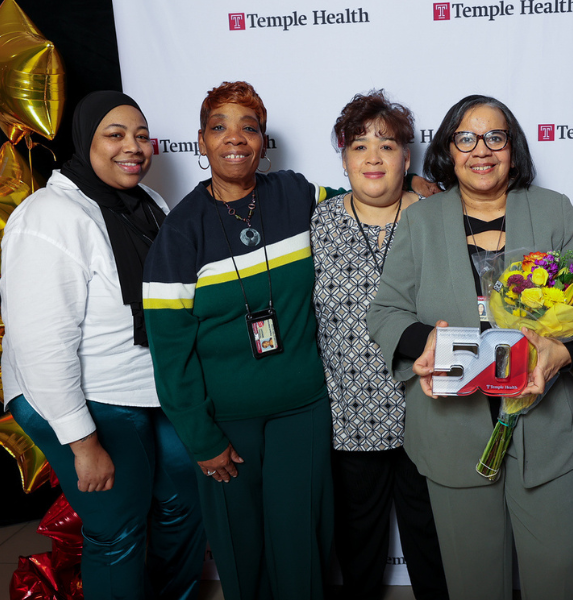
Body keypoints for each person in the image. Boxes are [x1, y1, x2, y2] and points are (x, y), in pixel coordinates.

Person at [367, 94, 573, 600]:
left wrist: (562, 354)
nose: (482, 150)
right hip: (452, 434)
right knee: (474, 584)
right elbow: (386, 311)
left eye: (495, 137)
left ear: (513, 150)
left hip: (546, 438)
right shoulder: (420, 221)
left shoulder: (553, 210)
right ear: (448, 151)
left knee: (558, 580)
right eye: (466, 138)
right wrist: (427, 341)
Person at [1, 91, 206, 599]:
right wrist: (83, 443)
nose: (132, 147)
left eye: (140, 135)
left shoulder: (148, 203)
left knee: (184, 505)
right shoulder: (48, 217)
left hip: (146, 385)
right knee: (117, 531)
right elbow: (40, 346)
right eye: (114, 135)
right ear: (85, 141)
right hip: (81, 397)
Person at [142, 81, 334, 600]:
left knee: (302, 539)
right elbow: (170, 350)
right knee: (239, 544)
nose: (235, 139)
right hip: (226, 422)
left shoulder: (294, 193)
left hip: (303, 408)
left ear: (263, 141)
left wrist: (413, 185)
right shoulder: (179, 232)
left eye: (249, 128)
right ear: (201, 141)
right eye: (219, 127)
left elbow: (361, 201)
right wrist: (202, 440)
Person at [311, 90, 449, 600]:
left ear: (406, 157)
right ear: (344, 158)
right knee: (359, 548)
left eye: (387, 145)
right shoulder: (319, 220)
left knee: (431, 543)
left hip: (428, 408)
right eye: (359, 145)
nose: (373, 157)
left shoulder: (437, 217)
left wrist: (421, 188)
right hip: (351, 416)